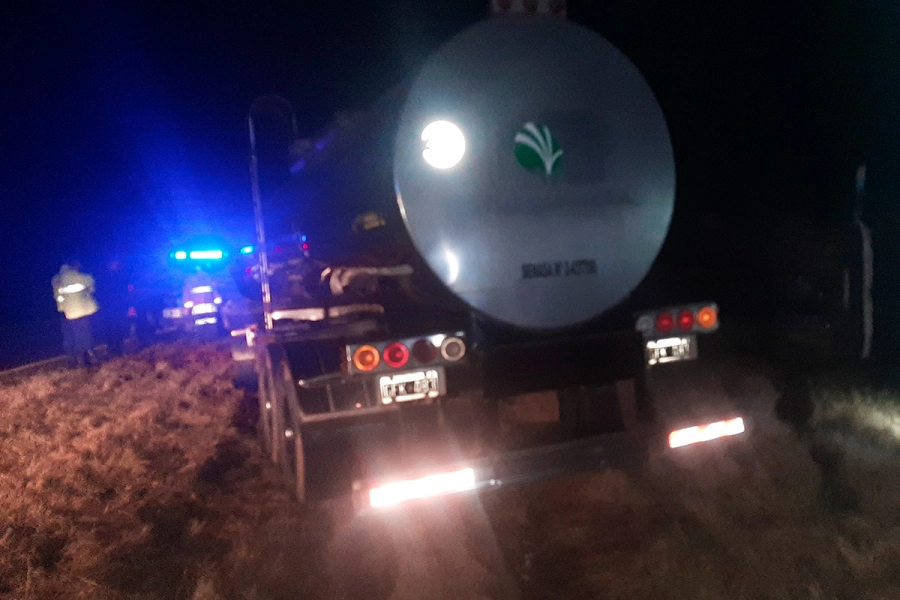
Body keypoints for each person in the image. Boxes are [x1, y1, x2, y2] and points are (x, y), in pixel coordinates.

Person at [52, 260, 99, 367]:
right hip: (82, 311)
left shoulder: (57, 279)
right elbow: (91, 284)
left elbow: (58, 296)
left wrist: (62, 308)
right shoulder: (80, 277)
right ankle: (89, 357)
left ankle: (76, 359)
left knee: (73, 336)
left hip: (67, 312)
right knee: (85, 334)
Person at [98, 257, 132, 356]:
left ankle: (117, 349)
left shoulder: (118, 276)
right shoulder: (109, 277)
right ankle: (113, 349)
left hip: (117, 307)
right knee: (112, 329)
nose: (116, 265)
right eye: (115, 263)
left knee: (117, 329)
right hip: (111, 307)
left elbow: (125, 291)